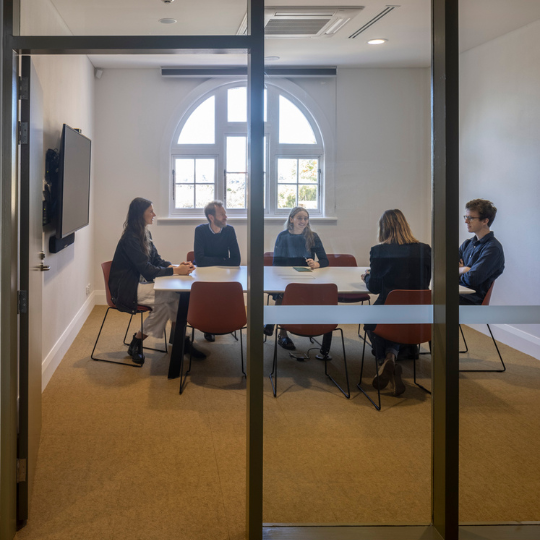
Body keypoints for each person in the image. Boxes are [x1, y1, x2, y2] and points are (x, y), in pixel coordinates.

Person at [109, 197, 205, 365]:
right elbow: (147, 270)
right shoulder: (130, 239)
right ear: (140, 214)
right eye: (150, 211)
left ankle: (174, 340)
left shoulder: (145, 233)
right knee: (171, 299)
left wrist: (175, 265)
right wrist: (176, 271)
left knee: (171, 300)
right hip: (127, 288)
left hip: (140, 283)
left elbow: (156, 260)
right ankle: (143, 341)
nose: (154, 214)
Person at [361, 209, 431, 397]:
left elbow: (374, 288)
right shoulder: (424, 249)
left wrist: (366, 277)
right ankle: (391, 359)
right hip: (419, 312)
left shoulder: (379, 251)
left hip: (388, 310)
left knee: (370, 323)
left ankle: (386, 360)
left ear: (383, 229)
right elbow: (426, 282)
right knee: (394, 323)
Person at [264, 206, 332, 360]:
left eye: (305, 218)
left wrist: (316, 264)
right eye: (300, 218)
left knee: (286, 293)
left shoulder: (312, 236)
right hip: (285, 277)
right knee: (285, 292)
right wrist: (283, 275)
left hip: (306, 278)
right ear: (291, 219)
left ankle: (271, 323)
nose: (303, 221)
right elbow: (276, 263)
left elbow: (325, 260)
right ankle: (282, 334)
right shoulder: (282, 236)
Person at [194, 200, 241, 341]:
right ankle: (208, 326)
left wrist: (213, 260)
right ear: (211, 217)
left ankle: (220, 323)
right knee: (207, 293)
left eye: (225, 214)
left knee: (224, 292)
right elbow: (199, 261)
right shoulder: (200, 230)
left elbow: (236, 260)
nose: (226, 217)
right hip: (204, 275)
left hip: (223, 274)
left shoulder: (229, 230)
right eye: (222, 214)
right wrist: (223, 260)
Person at [459, 199, 504, 305]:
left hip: (471, 299)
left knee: (433, 302)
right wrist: (464, 269)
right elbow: (447, 270)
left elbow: (473, 279)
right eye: (466, 217)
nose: (466, 221)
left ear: (485, 221)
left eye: (471, 218)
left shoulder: (493, 248)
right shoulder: (467, 244)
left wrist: (459, 271)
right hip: (457, 293)